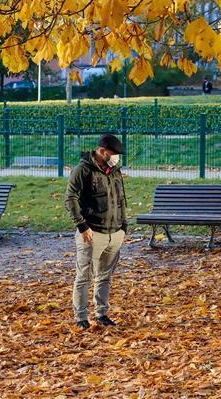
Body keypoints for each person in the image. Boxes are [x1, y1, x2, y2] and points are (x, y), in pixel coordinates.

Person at [66, 134, 128, 328]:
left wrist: (124, 226)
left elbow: (121, 198)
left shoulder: (115, 170)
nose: (116, 158)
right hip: (92, 233)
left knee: (104, 277)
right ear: (102, 151)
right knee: (84, 277)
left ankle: (101, 314)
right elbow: (71, 198)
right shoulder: (83, 170)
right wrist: (82, 225)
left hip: (115, 232)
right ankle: (81, 317)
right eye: (113, 154)